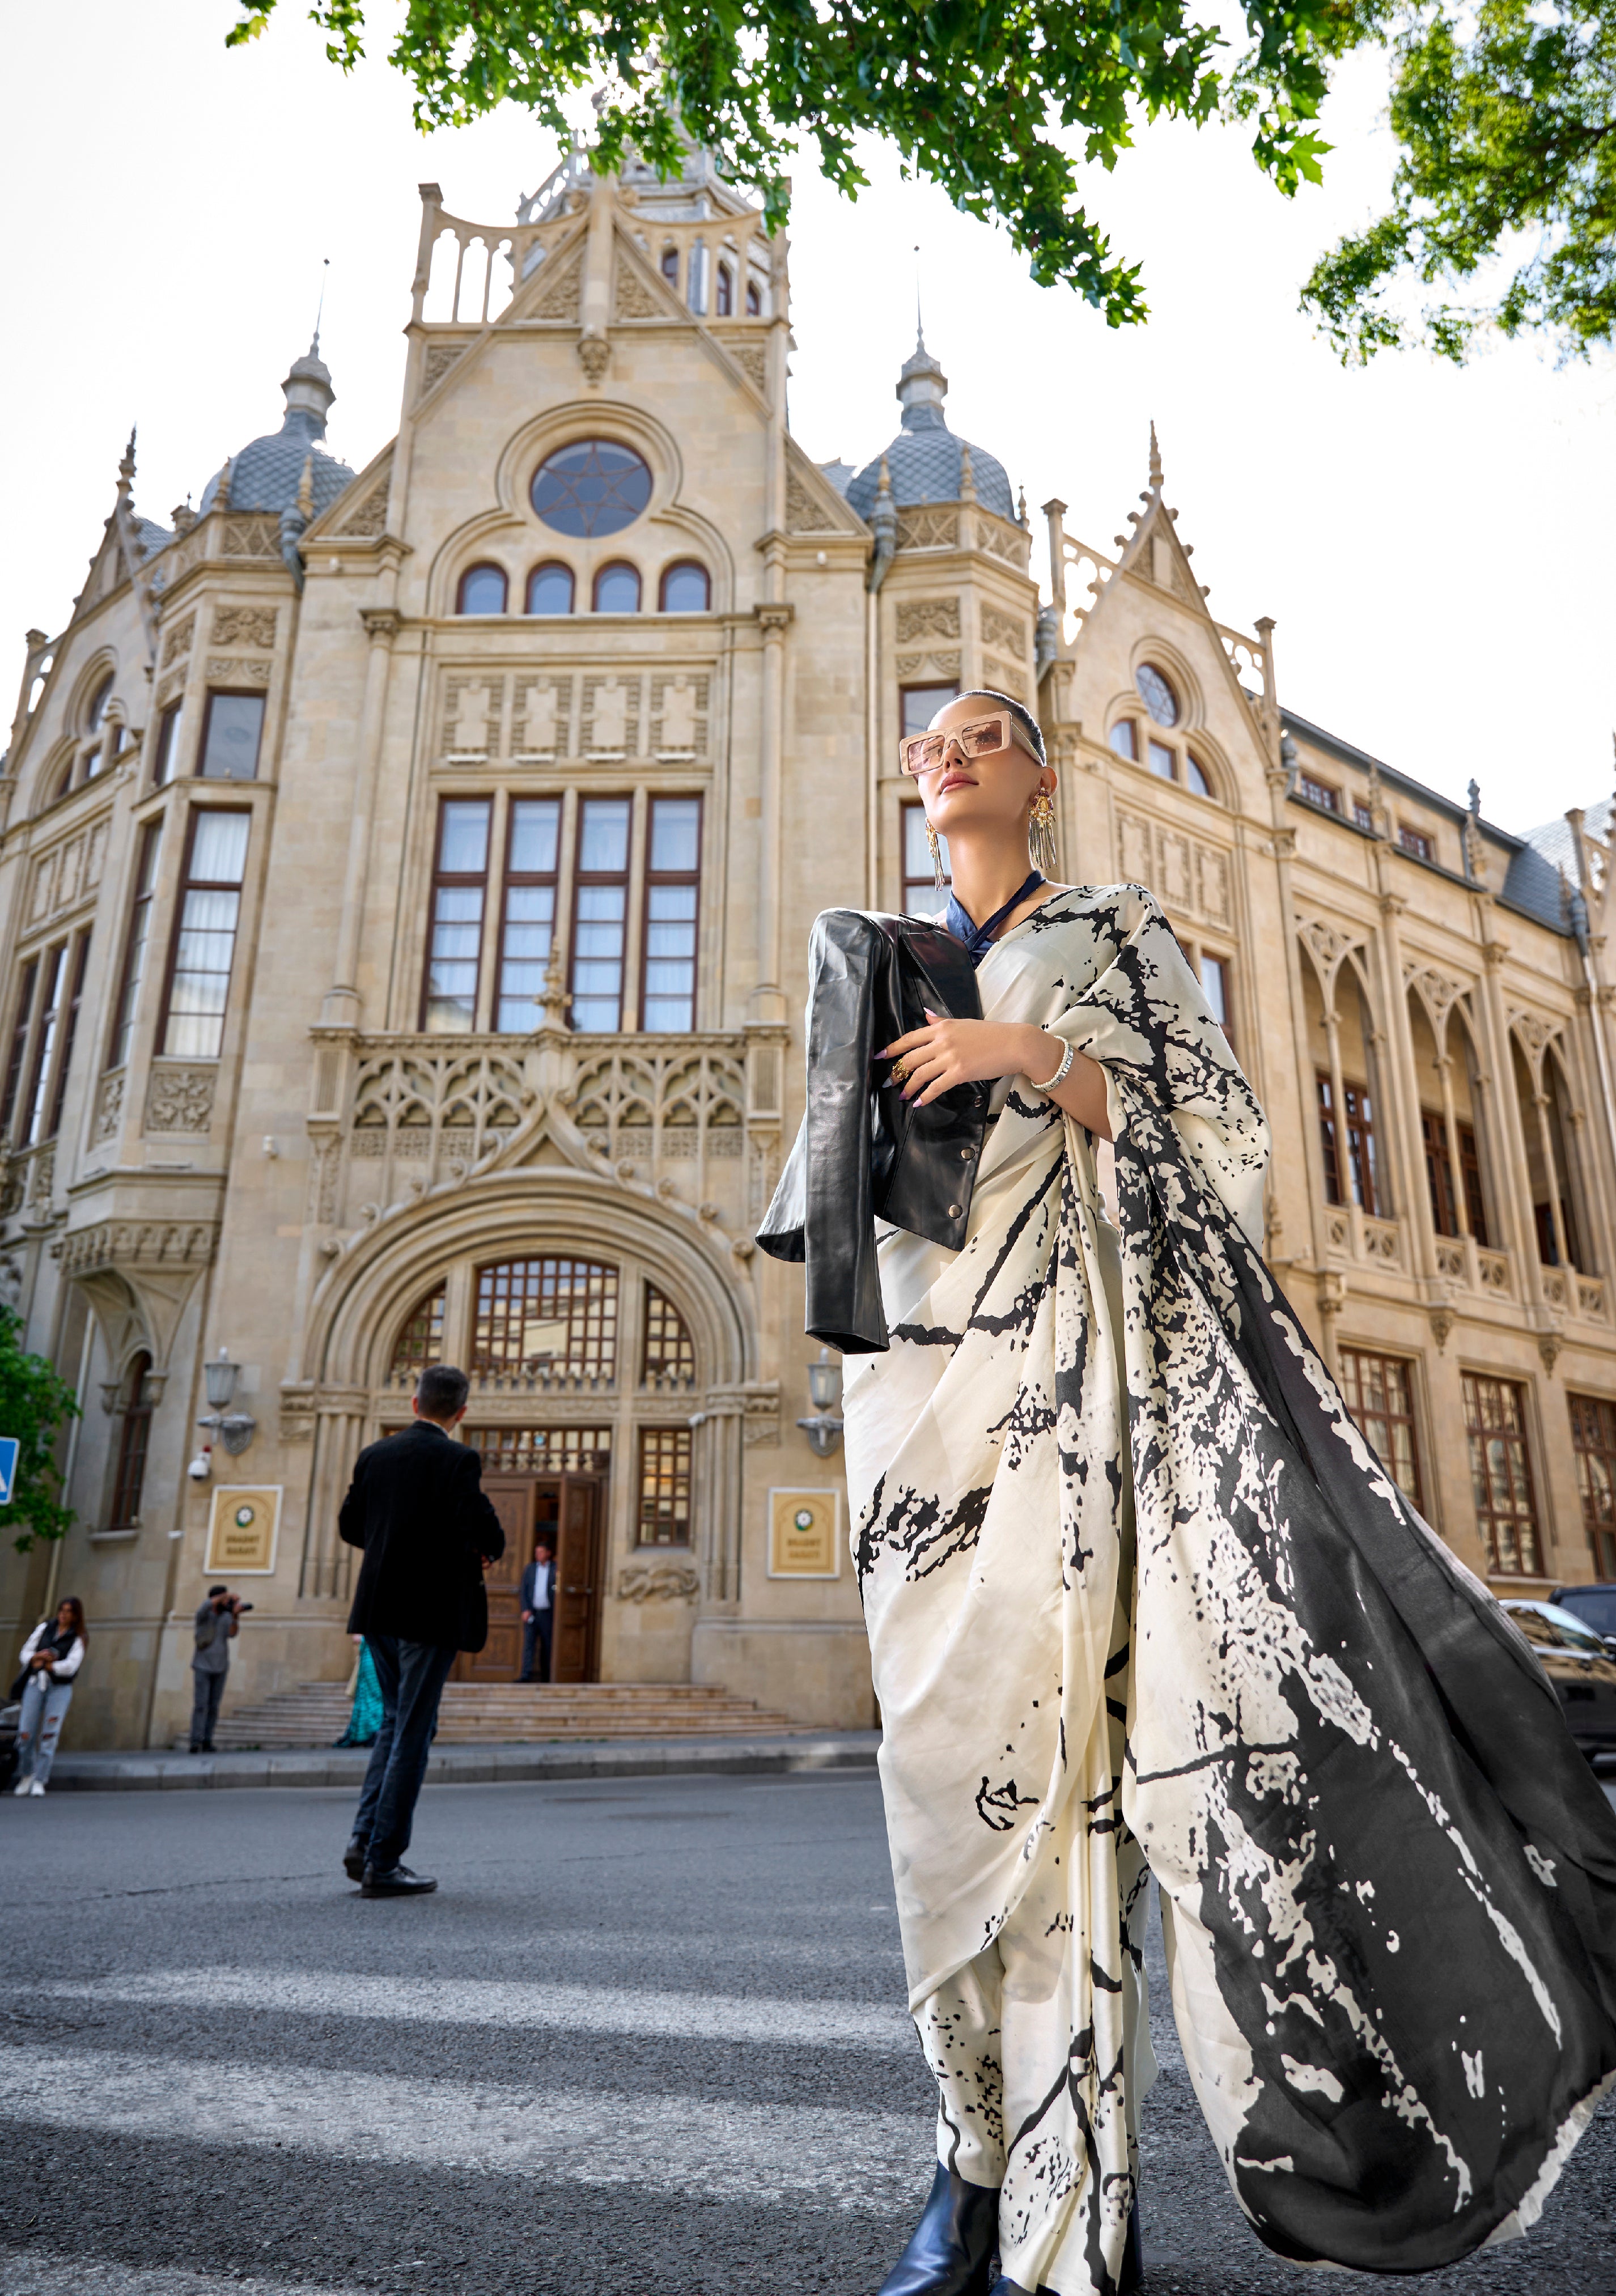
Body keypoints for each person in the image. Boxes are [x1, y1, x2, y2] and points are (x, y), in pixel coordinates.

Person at [760, 690, 1616, 2296]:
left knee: (1070, 1809)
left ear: (1041, 777)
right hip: (924, 1413)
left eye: (986, 734)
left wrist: (1035, 1053)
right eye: (925, 740)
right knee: (937, 1803)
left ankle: (1058, 2222)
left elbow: (1226, 1138)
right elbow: (829, 1200)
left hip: (1089, 1411)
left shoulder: (1112, 930)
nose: (947, 752)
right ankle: (966, 2146)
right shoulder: (876, 946)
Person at [337, 1362, 504, 1897]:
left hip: (378, 1610)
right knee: (413, 1729)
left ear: (415, 1403)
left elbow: (349, 1525)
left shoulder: (374, 1455)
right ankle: (384, 1861)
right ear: (461, 1412)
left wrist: (393, 1544)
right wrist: (474, 1550)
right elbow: (481, 1527)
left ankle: (363, 1842)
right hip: (427, 1614)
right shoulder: (458, 1458)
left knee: (393, 1722)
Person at [11, 1597, 86, 1795]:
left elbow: (71, 1666)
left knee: (49, 1735)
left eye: (69, 1611)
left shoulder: (78, 1637)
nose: (63, 1614)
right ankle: (27, 1773)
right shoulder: (45, 1628)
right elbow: (25, 1653)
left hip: (59, 1689)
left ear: (76, 1615)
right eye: (61, 1610)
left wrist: (51, 1665)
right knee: (25, 1733)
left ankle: (40, 1779)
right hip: (36, 1684)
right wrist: (37, 1658)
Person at [190, 1585, 241, 1754]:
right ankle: (195, 1741)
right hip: (202, 1666)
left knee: (213, 1706)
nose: (226, 1602)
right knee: (201, 1705)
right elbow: (205, 1607)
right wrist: (225, 1596)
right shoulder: (204, 1615)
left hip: (221, 1667)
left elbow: (232, 1634)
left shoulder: (226, 1616)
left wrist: (235, 1615)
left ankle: (207, 1740)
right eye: (223, 1599)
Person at [335, 1633, 384, 1748]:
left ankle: (369, 1733)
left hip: (373, 1657)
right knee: (370, 1697)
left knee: (372, 1698)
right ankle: (369, 1733)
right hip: (372, 1657)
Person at [519, 1535, 555, 1682]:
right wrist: (525, 1609)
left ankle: (546, 1677)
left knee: (547, 1646)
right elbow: (524, 1590)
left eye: (541, 1552)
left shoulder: (555, 1568)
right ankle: (526, 1675)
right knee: (529, 1644)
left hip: (547, 1613)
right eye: (537, 1552)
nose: (538, 1555)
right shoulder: (530, 1569)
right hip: (532, 1612)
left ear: (548, 1553)